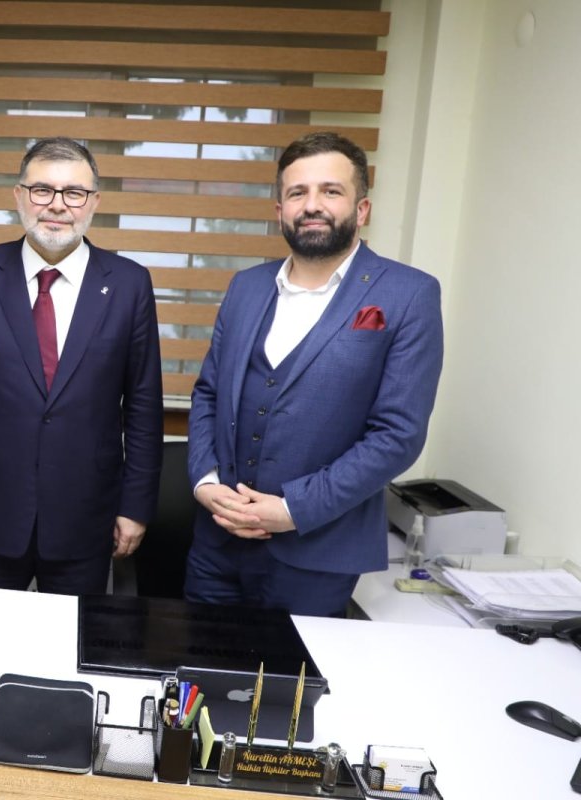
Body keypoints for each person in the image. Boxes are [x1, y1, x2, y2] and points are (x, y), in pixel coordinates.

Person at [185, 131, 444, 617]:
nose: (312, 205)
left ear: (361, 209)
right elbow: (208, 394)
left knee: (292, 671)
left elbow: (397, 435)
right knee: (199, 661)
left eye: (331, 191)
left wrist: (292, 510)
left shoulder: (409, 295)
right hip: (216, 547)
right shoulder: (245, 287)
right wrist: (205, 483)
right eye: (297, 192)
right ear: (279, 209)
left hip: (318, 554)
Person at [0, 137, 164, 595]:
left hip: (87, 517)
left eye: (74, 192)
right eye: (42, 190)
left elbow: (143, 408)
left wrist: (135, 507)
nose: (57, 205)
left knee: (73, 640)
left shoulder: (130, 284)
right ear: (19, 196)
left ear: (94, 202)